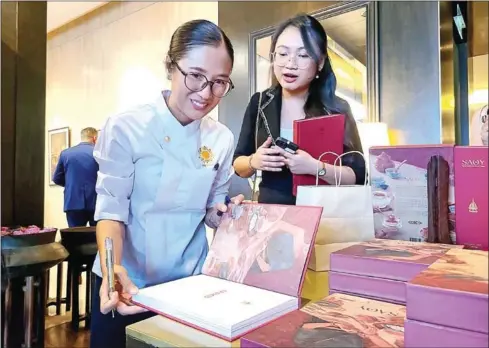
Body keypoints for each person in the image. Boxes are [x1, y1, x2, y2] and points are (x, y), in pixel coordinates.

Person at [90, 20, 244, 348]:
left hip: (189, 288)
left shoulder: (221, 138)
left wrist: (228, 216)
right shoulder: (126, 128)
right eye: (196, 76)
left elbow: (211, 211)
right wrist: (111, 267)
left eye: (219, 82)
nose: (206, 93)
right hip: (127, 283)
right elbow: (110, 212)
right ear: (170, 67)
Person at [233, 14, 366, 205]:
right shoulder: (260, 102)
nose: (290, 64)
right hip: (273, 217)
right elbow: (238, 164)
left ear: (320, 63)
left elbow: (358, 176)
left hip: (323, 216)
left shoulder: (337, 108)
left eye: (303, 55)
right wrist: (254, 161)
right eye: (283, 53)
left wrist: (314, 167)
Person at [52, 127, 99, 227]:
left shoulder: (65, 154)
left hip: (72, 202)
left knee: (75, 238)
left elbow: (56, 178)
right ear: (95, 138)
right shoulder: (99, 153)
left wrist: (70, 184)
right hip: (96, 202)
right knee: (96, 237)